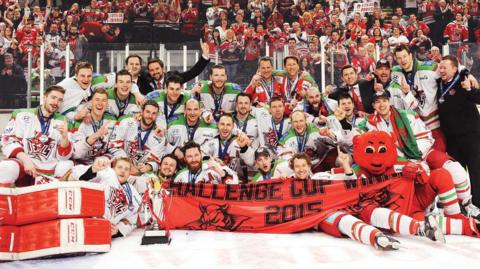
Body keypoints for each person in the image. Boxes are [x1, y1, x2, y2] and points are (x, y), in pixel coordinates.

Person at [358, 91, 480, 219]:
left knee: (456, 170)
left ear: (389, 101)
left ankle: (466, 205)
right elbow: (358, 139)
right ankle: (427, 209)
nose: (381, 104)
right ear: (373, 105)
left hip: (423, 152)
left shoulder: (407, 115)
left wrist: (416, 155)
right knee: (420, 177)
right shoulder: (370, 123)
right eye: (377, 102)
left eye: (384, 100)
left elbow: (427, 137)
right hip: (399, 161)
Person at [0, 85, 73, 187]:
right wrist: (26, 160)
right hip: (25, 164)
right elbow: (7, 141)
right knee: (7, 166)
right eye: (53, 97)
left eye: (60, 100)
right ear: (44, 97)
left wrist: (65, 138)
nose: (56, 102)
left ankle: (54, 199)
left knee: (67, 165)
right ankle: (4, 202)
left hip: (49, 168)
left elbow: (64, 156)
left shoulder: (64, 121)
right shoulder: (22, 114)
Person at [437, 55, 480, 207]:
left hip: (470, 136)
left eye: (445, 67)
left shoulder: (464, 81)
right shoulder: (438, 83)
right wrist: (465, 70)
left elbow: (478, 98)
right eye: (440, 67)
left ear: (454, 69)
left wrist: (469, 87)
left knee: (475, 171)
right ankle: (463, 204)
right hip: (452, 139)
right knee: (457, 174)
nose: (441, 70)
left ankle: (478, 204)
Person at [73, 157, 142, 237]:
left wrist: (118, 231)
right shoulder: (107, 173)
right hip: (84, 216)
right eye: (120, 167)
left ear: (129, 173)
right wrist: (94, 169)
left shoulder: (135, 195)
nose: (123, 171)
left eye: (126, 169)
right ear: (114, 168)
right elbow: (78, 175)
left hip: (103, 230)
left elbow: (130, 221)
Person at [71, 88, 123, 164]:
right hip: (81, 163)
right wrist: (95, 136)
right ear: (91, 102)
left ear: (107, 104)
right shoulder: (80, 122)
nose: (100, 103)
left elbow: (114, 147)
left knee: (104, 160)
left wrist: (123, 160)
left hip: (101, 162)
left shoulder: (112, 121)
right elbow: (76, 154)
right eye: (97, 99)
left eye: (104, 100)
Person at [114, 100, 166, 176]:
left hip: (141, 172)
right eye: (148, 112)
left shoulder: (159, 136)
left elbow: (156, 161)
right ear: (142, 111)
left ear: (157, 115)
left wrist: (147, 167)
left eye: (154, 113)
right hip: (121, 164)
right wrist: (127, 163)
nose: (150, 116)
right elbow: (114, 146)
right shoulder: (127, 123)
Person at [139, 41, 211, 94]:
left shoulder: (173, 77)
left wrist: (204, 57)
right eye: (152, 70)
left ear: (163, 68)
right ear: (149, 72)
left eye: (157, 69)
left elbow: (193, 72)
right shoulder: (145, 80)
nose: (155, 72)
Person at [201, 114, 255, 181]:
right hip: (216, 181)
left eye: (228, 125)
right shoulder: (211, 141)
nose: (225, 128)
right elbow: (201, 155)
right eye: (222, 124)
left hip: (236, 182)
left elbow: (251, 162)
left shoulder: (239, 141)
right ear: (218, 125)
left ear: (233, 126)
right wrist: (209, 159)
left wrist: (244, 148)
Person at [174, 141, 238, 184]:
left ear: (201, 155)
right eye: (189, 156)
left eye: (196, 155)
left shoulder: (214, 165)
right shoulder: (180, 176)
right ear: (185, 159)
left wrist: (221, 173)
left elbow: (235, 184)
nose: (194, 159)